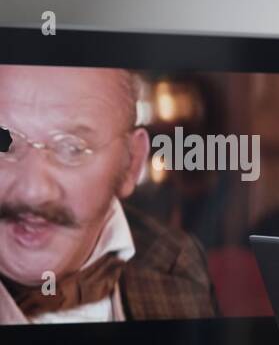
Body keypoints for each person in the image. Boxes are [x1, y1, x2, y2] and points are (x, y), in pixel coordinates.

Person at [0, 64, 216, 324]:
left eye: (72, 148)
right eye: (5, 143)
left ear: (131, 163)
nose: (32, 192)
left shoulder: (177, 261)